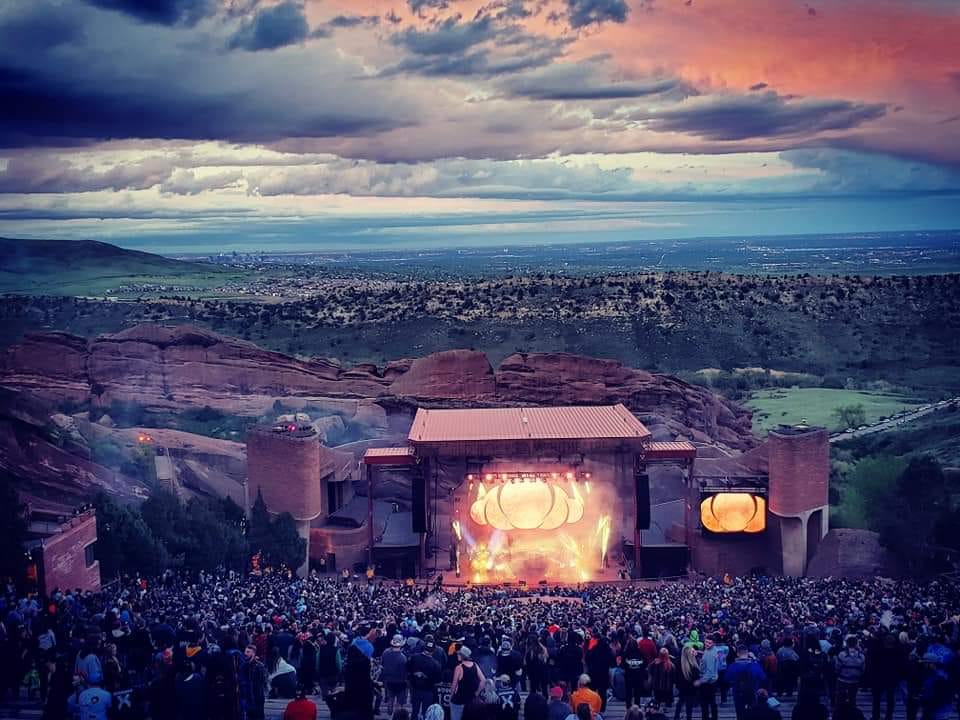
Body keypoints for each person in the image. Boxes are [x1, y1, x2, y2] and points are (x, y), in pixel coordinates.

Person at [725, 643, 766, 720]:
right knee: (752, 712)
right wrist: (755, 658)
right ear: (748, 653)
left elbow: (726, 678)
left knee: (739, 713)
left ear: (737, 654)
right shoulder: (754, 665)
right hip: (752, 692)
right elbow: (763, 677)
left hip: (738, 693)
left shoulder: (733, 666)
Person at [408, 637, 441, 720]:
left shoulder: (414, 657)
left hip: (415, 689)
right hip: (428, 691)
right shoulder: (436, 664)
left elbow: (408, 670)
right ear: (433, 651)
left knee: (414, 712)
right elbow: (437, 680)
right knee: (426, 713)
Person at [451, 646, 484, 720]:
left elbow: (454, 685)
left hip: (459, 700)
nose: (457, 655)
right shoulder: (475, 665)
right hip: (471, 701)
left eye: (459, 654)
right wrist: (477, 693)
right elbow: (483, 680)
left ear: (463, 655)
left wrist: (451, 697)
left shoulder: (459, 667)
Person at [834, 636, 865, 709]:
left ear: (847, 644)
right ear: (856, 644)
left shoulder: (842, 654)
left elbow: (837, 667)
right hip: (855, 680)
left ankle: (839, 713)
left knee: (840, 698)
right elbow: (863, 669)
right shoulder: (861, 656)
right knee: (853, 698)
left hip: (842, 680)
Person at [239, 644, 269, 720]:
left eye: (248, 652)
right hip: (248, 696)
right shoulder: (243, 666)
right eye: (245, 651)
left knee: (258, 715)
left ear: (253, 653)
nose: (245, 653)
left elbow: (264, 680)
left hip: (257, 695)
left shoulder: (259, 666)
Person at [699, 636, 722, 720]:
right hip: (713, 679)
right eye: (706, 642)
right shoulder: (713, 650)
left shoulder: (710, 654)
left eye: (709, 643)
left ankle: (706, 718)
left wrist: (700, 681)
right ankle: (714, 717)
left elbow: (709, 671)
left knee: (705, 703)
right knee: (712, 701)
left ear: (713, 643)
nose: (707, 644)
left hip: (708, 681)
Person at [622, 635, 649, 708]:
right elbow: (645, 663)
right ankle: (637, 707)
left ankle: (628, 708)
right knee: (637, 693)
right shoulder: (640, 653)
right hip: (638, 677)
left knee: (628, 693)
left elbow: (622, 665)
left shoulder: (625, 654)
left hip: (629, 677)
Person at [674, 646, 699, 720]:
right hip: (691, 688)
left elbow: (676, 678)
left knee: (680, 702)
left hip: (683, 687)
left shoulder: (678, 663)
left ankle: (676, 717)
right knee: (689, 706)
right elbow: (696, 677)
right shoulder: (693, 665)